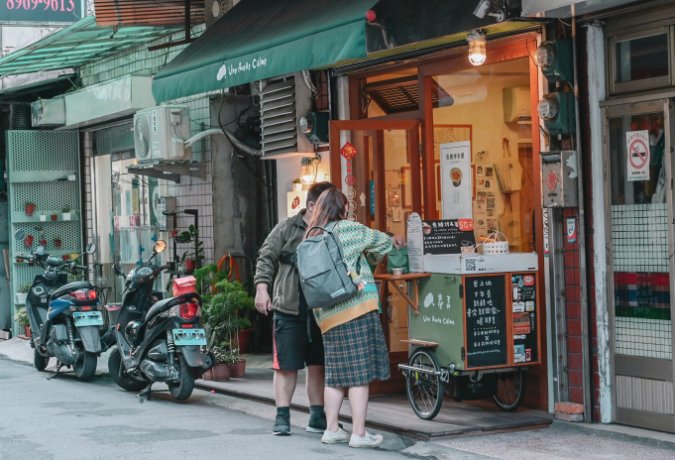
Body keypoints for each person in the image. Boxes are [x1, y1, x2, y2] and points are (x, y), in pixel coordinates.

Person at [303, 188, 404, 449]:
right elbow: (383, 242)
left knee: (334, 375)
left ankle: (331, 428)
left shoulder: (312, 235)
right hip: (355, 308)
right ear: (343, 208)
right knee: (359, 374)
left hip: (327, 315)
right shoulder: (350, 229)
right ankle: (359, 432)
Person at [254, 181, 335, 436]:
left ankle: (317, 415)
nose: (329, 211)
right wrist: (262, 289)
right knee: (286, 366)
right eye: (325, 205)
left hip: (322, 309)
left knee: (318, 365)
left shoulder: (331, 229)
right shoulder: (287, 228)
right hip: (289, 306)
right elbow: (266, 256)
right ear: (311, 205)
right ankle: (282, 416)